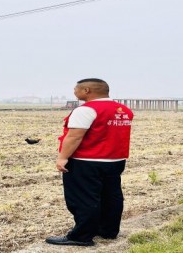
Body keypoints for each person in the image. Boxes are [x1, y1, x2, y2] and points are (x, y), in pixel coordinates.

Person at [46, 78, 134, 247]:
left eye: (76, 89)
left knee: (84, 199)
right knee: (111, 196)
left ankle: (81, 236)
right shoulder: (123, 110)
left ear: (87, 91)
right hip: (115, 160)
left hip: (86, 161)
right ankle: (108, 230)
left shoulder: (86, 110)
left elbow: (75, 136)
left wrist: (63, 157)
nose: (74, 91)